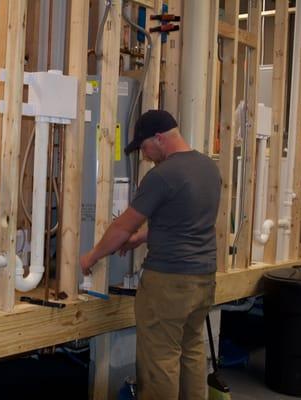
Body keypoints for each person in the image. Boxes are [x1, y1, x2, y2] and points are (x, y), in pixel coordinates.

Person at [80, 110, 221, 399]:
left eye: (144, 147)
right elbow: (186, 220)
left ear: (159, 138)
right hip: (203, 278)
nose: (144, 156)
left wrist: (91, 257)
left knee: (161, 359)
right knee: (192, 349)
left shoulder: (162, 176)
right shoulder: (208, 167)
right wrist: (141, 238)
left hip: (168, 281)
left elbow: (122, 225)